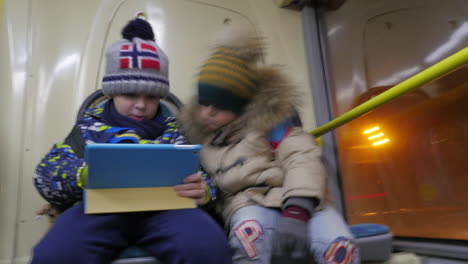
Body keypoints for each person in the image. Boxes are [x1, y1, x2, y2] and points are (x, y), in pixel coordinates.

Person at [32, 18, 232, 264]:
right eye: (130, 94)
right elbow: (45, 175)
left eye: (151, 96)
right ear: (113, 92)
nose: (141, 105)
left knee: (210, 249)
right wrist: (82, 174)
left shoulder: (175, 131)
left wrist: (206, 190)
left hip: (167, 210)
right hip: (99, 209)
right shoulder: (88, 128)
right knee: (53, 255)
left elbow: (203, 175)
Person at [178, 27, 360, 264]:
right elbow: (212, 190)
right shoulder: (198, 143)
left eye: (220, 107)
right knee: (250, 238)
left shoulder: (271, 124)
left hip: (301, 200)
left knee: (339, 248)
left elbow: (301, 158)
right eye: (203, 104)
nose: (207, 113)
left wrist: (297, 210)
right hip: (246, 202)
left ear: (239, 108)